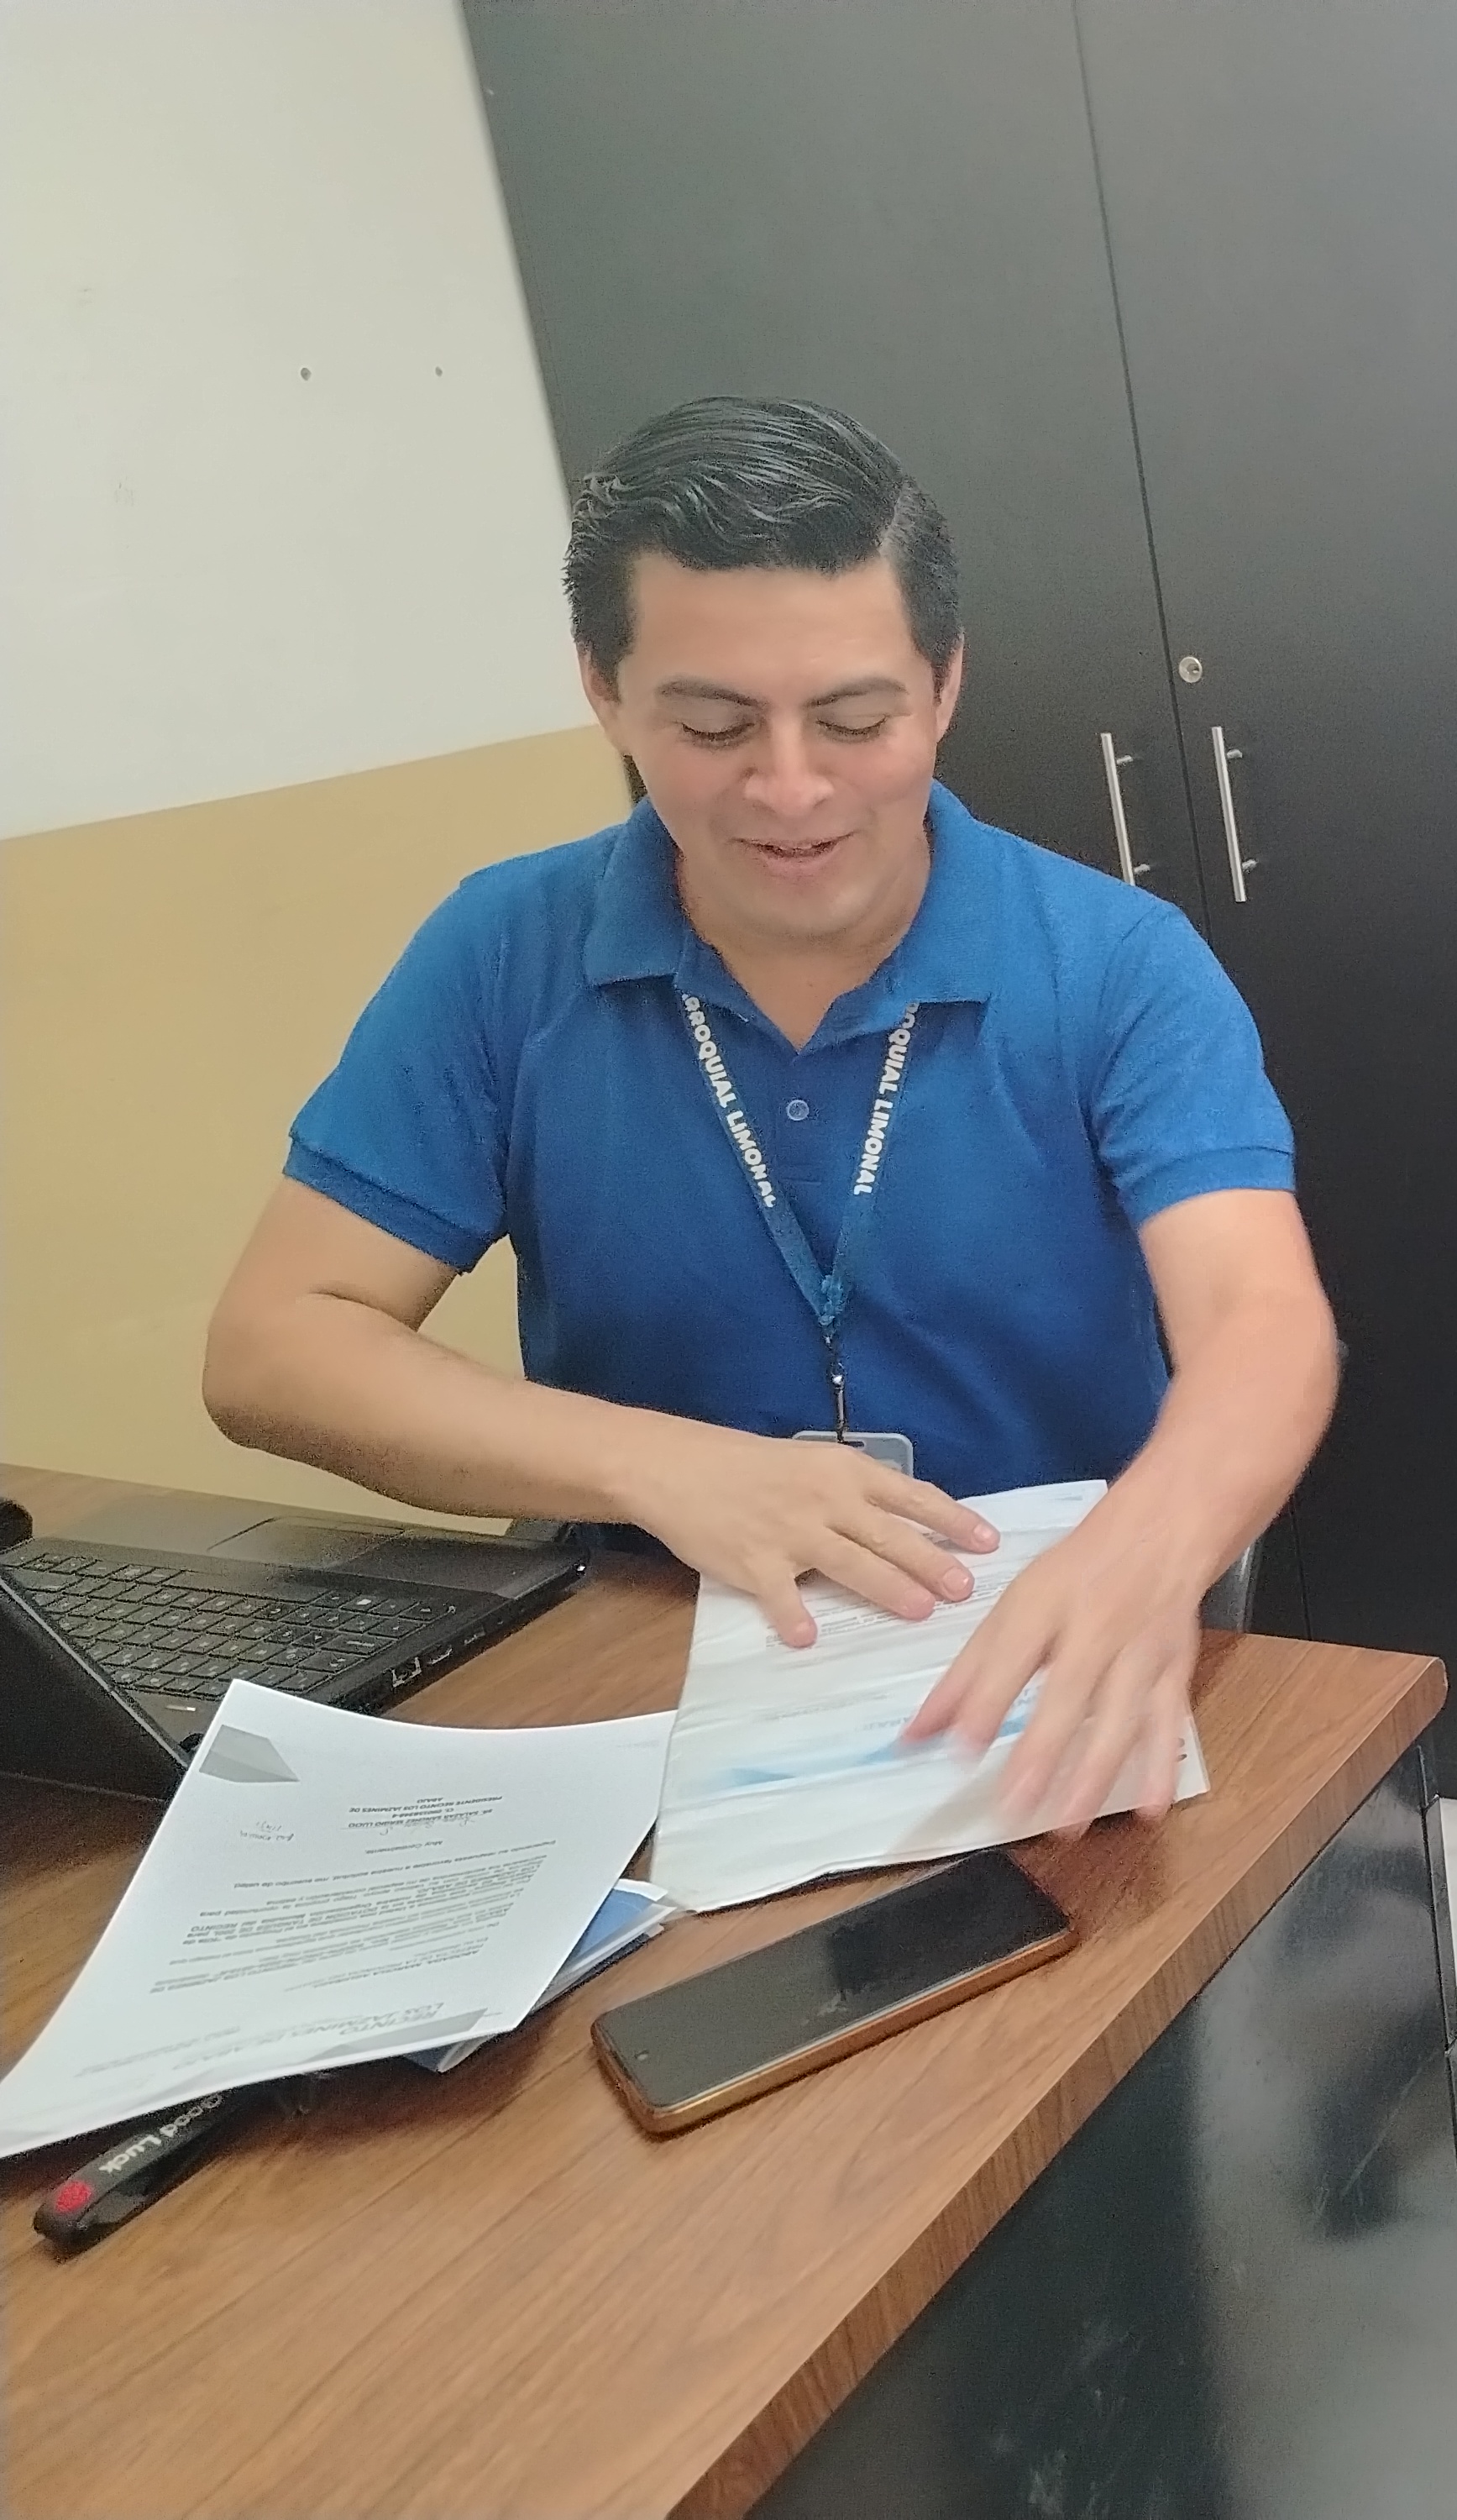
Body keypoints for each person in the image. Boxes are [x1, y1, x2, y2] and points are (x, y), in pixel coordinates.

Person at [204, 396, 1335, 1833]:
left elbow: (1261, 1319)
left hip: (1033, 1656)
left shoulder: (1115, 964)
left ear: (944, 687)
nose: (792, 788)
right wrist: (659, 1466)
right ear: (605, 692)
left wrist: (1149, 1551)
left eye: (855, 720)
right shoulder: (503, 952)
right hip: (642, 1657)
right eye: (714, 725)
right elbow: (274, 1344)